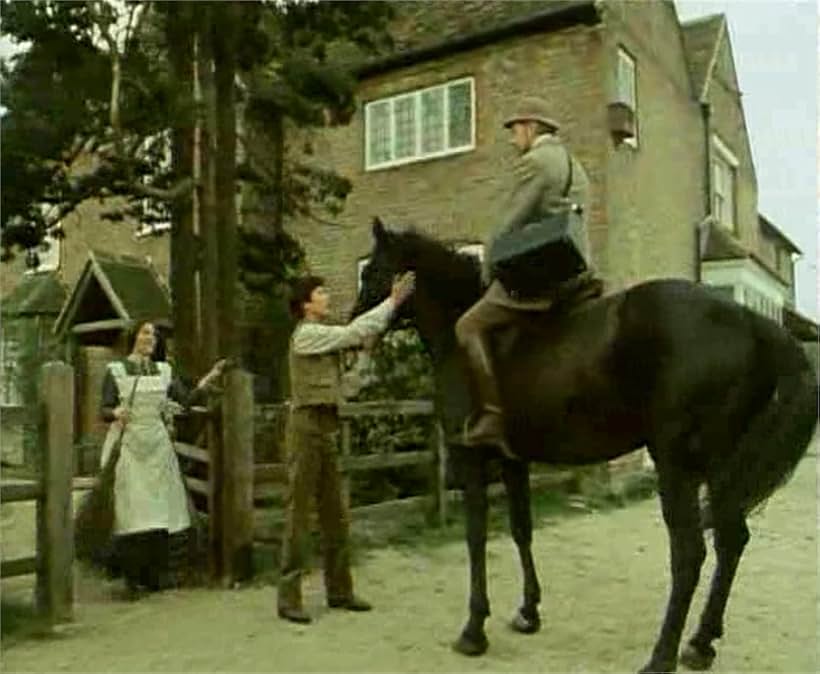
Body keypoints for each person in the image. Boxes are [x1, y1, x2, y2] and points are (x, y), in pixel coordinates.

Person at [454, 96, 593, 456]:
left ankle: (492, 417)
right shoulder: (576, 166)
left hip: (540, 279)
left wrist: (488, 264)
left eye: (515, 129)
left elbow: (508, 224)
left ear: (531, 127)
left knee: (467, 327)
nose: (513, 138)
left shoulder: (534, 163)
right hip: (576, 269)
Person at [278, 271, 415, 624]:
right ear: (306, 304)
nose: (327, 297)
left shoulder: (325, 343)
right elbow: (353, 332)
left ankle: (340, 591)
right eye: (320, 293)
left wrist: (365, 355)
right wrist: (392, 303)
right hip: (305, 426)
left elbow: (350, 384)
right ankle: (288, 597)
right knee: (299, 512)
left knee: (334, 512)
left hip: (325, 425)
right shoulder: (307, 335)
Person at [99, 320, 226, 598]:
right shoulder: (116, 371)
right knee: (132, 508)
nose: (150, 338)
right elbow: (104, 408)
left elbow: (186, 400)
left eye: (154, 335)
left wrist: (208, 380)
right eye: (145, 333)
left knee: (159, 509)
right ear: (133, 336)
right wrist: (116, 413)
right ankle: (131, 577)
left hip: (157, 446)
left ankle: (154, 574)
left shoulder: (164, 371)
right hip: (130, 444)